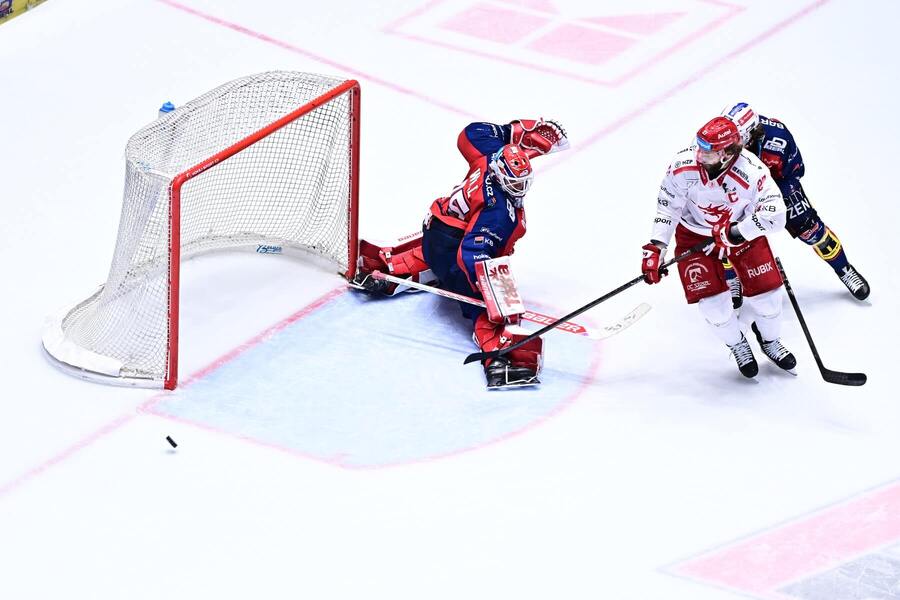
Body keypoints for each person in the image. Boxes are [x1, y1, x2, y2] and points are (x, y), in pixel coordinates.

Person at [351, 119, 569, 388]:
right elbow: (473, 254)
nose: (520, 189)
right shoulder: (498, 211)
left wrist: (511, 132)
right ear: (501, 174)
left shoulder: (490, 156)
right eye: (514, 184)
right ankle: (500, 359)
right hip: (452, 251)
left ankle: (391, 267)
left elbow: (471, 133)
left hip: (433, 232)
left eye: (523, 182)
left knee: (441, 249)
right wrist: (493, 297)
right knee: (494, 303)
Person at [641, 116, 796, 378]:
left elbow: (776, 214)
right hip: (695, 236)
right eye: (699, 147)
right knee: (714, 308)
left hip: (742, 234)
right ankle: (737, 344)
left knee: (769, 301)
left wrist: (738, 232)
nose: (698, 154)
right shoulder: (683, 165)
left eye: (707, 151)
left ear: (726, 153)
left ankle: (769, 341)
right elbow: (668, 205)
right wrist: (657, 247)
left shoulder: (752, 171)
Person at [720, 102, 869, 307]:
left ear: (750, 133)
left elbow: (796, 171)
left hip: (777, 187)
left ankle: (844, 268)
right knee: (727, 233)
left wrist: (771, 197)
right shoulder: (720, 135)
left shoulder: (778, 139)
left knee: (811, 230)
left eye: (735, 138)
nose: (727, 144)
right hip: (738, 187)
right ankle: (732, 276)